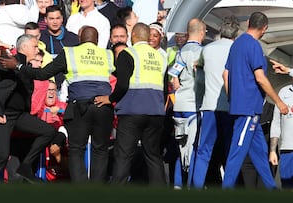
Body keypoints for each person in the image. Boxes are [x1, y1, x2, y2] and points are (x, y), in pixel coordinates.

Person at [0, 26, 115, 183]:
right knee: (100, 150)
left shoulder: (71, 53)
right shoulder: (108, 54)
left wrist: (18, 66)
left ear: (80, 39)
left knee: (76, 149)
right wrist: (112, 98)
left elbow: (42, 74)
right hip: (104, 106)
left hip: (80, 107)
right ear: (97, 39)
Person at [0, 34, 62, 183]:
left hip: (19, 115)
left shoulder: (27, 67)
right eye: (35, 46)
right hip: (3, 114)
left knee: (49, 131)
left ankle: (25, 165)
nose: (37, 50)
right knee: (2, 156)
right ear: (24, 48)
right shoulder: (6, 61)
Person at [94, 22, 167, 185]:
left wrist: (110, 99)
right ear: (148, 37)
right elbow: (165, 86)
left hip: (132, 111)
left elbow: (122, 85)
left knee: (124, 154)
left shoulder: (128, 53)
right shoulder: (161, 57)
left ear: (133, 36)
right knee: (153, 155)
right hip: (155, 112)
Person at [222, 11, 289, 189]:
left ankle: (271, 189)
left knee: (260, 153)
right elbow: (260, 77)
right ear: (264, 28)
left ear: (249, 22)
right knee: (236, 153)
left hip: (245, 109)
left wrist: (232, 98)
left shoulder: (236, 44)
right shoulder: (253, 46)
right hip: (248, 109)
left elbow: (225, 73)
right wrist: (279, 102)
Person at [190, 15, 240, 189]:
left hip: (210, 106)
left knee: (204, 151)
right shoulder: (238, 49)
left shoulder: (208, 49)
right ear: (237, 32)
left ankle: (196, 188)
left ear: (220, 30)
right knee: (230, 152)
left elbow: (198, 67)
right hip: (231, 107)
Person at [171, 18, 206, 188]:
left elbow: (173, 79)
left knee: (181, 150)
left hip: (179, 106)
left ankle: (178, 185)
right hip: (194, 105)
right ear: (201, 32)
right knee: (193, 151)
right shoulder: (202, 52)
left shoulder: (180, 51)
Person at [269, 58, 293, 189]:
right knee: (287, 188)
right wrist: (272, 151)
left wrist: (288, 70)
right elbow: (276, 122)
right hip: (286, 151)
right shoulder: (283, 92)